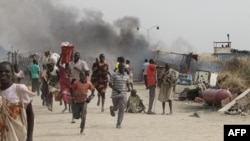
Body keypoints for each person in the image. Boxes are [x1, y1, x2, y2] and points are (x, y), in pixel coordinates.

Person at [0, 61, 35, 141]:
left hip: (19, 135)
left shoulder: (19, 89)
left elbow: (30, 114)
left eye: (7, 71)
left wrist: (30, 137)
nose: (3, 74)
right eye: (0, 72)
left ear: (12, 73)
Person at [69, 52, 90, 123]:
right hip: (73, 83)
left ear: (79, 56)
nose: (76, 57)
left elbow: (87, 72)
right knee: (73, 100)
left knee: (81, 100)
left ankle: (82, 114)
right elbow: (69, 73)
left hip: (80, 84)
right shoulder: (70, 63)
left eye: (77, 55)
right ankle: (73, 117)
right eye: (75, 55)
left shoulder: (83, 63)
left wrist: (78, 69)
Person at [109, 62, 130, 128]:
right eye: (121, 67)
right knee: (116, 108)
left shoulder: (126, 75)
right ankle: (112, 108)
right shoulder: (114, 75)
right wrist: (116, 89)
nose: (122, 68)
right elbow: (110, 84)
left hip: (123, 94)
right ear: (118, 68)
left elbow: (127, 82)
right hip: (115, 94)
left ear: (125, 68)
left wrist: (129, 88)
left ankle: (118, 123)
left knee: (121, 108)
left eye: (123, 67)